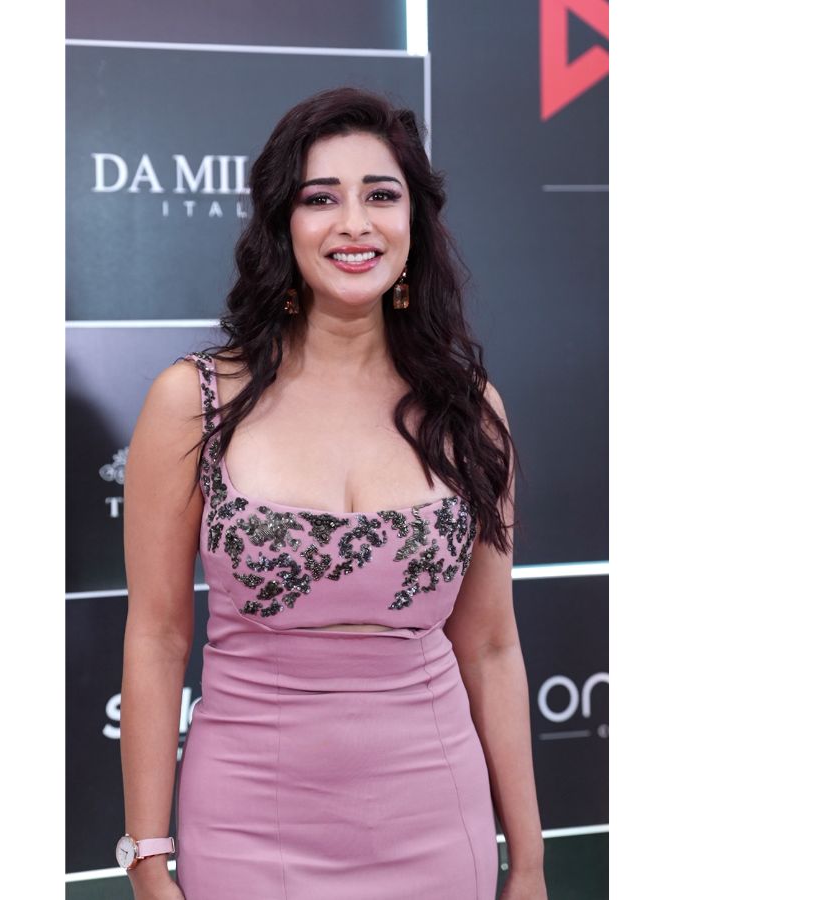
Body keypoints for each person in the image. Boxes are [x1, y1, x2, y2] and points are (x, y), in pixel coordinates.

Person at [118, 86, 548, 900]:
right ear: (283, 223)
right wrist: (146, 857)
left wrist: (527, 863)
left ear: (414, 221)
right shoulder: (195, 401)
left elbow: (492, 647)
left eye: (380, 196)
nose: (355, 223)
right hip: (246, 829)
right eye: (321, 199)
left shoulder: (468, 410)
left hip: (438, 826)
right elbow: (158, 636)